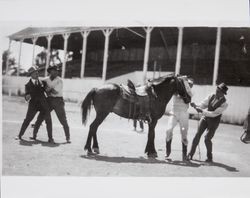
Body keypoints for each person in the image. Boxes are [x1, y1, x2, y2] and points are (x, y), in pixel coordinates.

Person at [187, 83, 229, 163]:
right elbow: (203, 105)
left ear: (223, 93)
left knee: (207, 139)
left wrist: (202, 111)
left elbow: (214, 114)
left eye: (219, 91)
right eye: (217, 90)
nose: (217, 92)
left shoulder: (225, 104)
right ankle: (190, 154)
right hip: (205, 118)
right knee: (197, 135)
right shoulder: (211, 96)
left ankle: (209, 157)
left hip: (214, 121)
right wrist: (196, 105)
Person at [15, 66, 54, 142]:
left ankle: (50, 138)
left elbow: (48, 92)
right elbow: (26, 97)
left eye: (37, 72)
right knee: (27, 120)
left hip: (43, 105)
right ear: (31, 74)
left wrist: (49, 90)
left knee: (49, 120)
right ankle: (19, 135)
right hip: (33, 105)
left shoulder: (43, 82)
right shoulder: (27, 85)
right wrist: (27, 96)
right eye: (35, 72)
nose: (37, 73)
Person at [34, 65, 71, 143]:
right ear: (50, 71)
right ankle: (34, 135)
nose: (57, 72)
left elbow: (54, 91)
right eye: (54, 70)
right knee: (41, 116)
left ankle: (68, 137)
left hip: (58, 101)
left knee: (63, 120)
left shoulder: (59, 80)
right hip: (49, 100)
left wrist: (45, 87)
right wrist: (39, 81)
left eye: (57, 71)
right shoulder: (46, 79)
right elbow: (38, 82)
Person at [165, 77, 194, 161]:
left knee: (184, 135)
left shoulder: (190, 92)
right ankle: (168, 150)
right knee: (168, 130)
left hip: (183, 115)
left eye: (190, 84)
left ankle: (184, 154)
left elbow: (188, 95)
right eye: (188, 84)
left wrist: (184, 81)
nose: (189, 85)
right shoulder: (176, 90)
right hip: (173, 113)